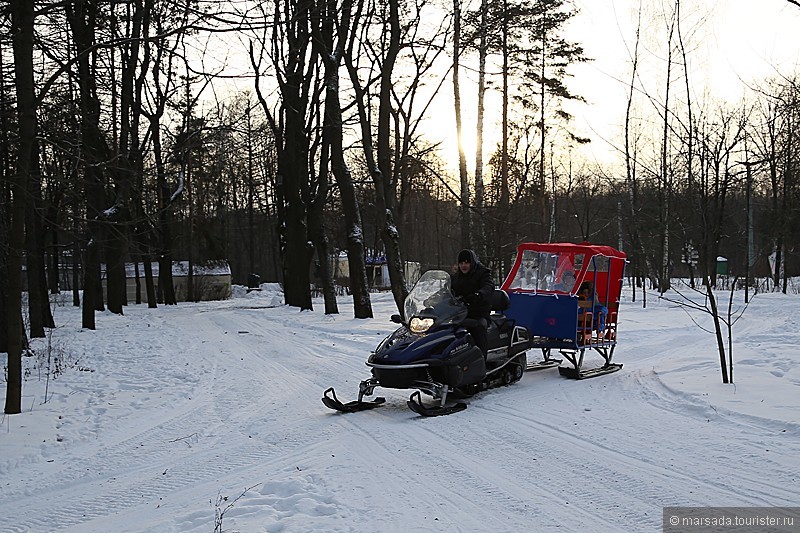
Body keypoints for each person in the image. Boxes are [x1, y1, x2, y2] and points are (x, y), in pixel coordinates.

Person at [451, 249, 495, 357]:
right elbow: (447, 289)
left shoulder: (482, 273)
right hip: (459, 313)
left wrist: (479, 295)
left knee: (478, 326)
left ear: (472, 262)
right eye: (461, 263)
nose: (464, 266)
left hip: (478, 312)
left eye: (466, 262)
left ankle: (481, 360)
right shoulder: (456, 277)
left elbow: (488, 286)